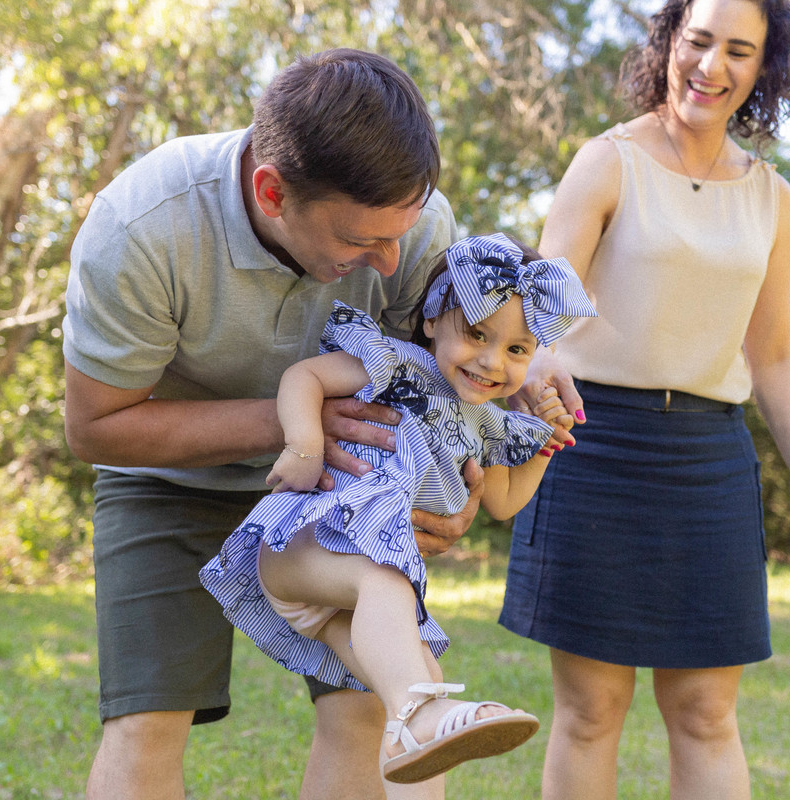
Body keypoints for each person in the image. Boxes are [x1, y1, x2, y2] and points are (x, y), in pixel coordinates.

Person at [63, 49, 474, 800]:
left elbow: (446, 385)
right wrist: (294, 423)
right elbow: (95, 428)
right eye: (357, 242)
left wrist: (457, 490)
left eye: (401, 232)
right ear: (271, 191)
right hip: (167, 482)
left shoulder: (413, 226)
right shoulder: (143, 228)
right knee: (148, 721)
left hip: (342, 491)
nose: (389, 262)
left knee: (368, 701)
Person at [496, 1, 790, 798]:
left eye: (737, 50)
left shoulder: (773, 199)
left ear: (765, 67)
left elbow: (774, 355)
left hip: (710, 462)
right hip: (592, 447)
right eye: (697, 42)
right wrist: (537, 364)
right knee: (591, 709)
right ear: (668, 44)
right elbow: (542, 308)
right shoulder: (607, 162)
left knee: (704, 710)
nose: (711, 66)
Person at [200, 233, 597, 791]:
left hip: (338, 596)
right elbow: (306, 378)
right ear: (433, 319)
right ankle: (421, 717)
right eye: (477, 334)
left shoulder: (485, 426)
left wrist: (548, 442)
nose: (491, 361)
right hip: (302, 545)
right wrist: (304, 446)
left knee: (420, 684)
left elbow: (504, 504)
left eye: (516, 350)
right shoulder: (400, 367)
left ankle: (417, 731)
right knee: (388, 590)